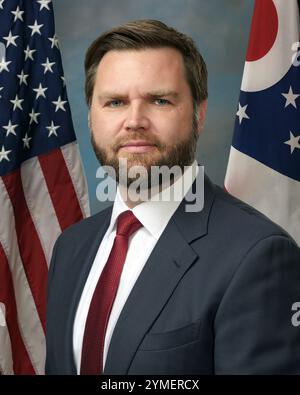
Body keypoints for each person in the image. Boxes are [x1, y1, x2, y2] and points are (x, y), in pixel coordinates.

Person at [45, 20, 300, 375]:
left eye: (160, 100)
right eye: (115, 102)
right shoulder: (70, 247)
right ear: (90, 117)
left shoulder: (257, 255)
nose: (135, 121)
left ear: (199, 115)